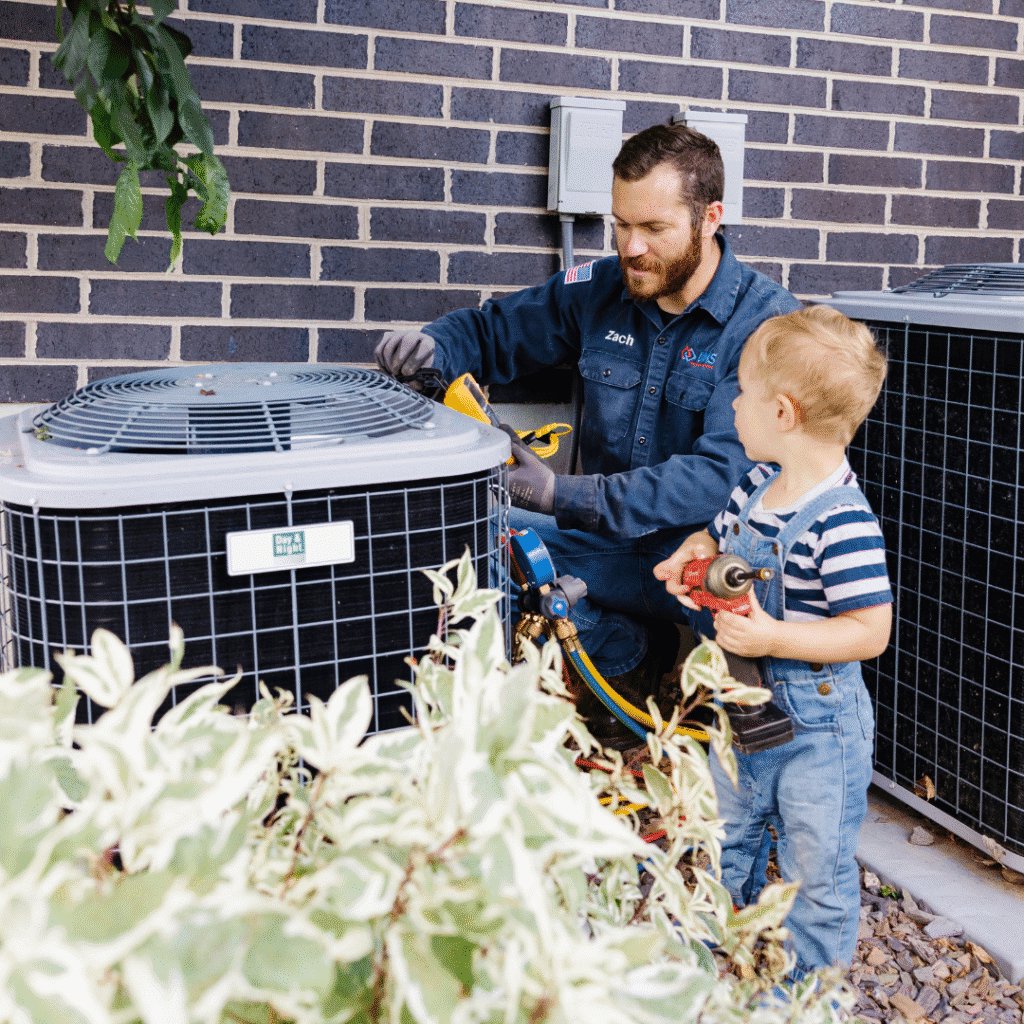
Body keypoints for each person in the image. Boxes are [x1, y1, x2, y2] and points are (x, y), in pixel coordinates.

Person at [374, 122, 799, 732]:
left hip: (702, 559)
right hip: (602, 545)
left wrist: (557, 494)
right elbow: (495, 330)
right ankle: (623, 651)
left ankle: (732, 739)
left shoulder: (766, 326)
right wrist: (432, 345)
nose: (630, 248)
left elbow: (721, 476)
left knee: (759, 637)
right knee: (465, 536)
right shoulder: (600, 289)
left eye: (653, 229)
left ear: (711, 218)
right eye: (620, 225)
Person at [653, 305, 892, 979]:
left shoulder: (841, 523)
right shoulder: (758, 485)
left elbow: (870, 632)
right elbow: (715, 541)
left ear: (783, 413)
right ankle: (703, 958)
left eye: (743, 393)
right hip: (743, 704)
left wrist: (772, 633)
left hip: (819, 727)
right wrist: (691, 558)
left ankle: (810, 991)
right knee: (726, 834)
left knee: (817, 864)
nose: (732, 405)